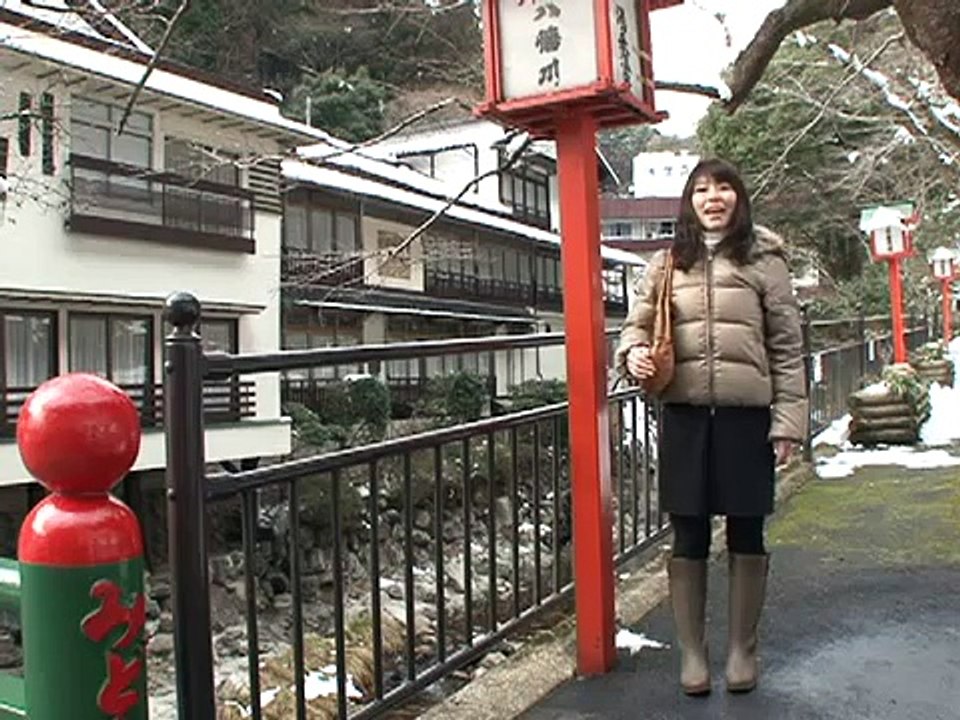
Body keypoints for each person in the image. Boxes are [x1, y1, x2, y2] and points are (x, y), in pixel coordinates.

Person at [616, 158, 807, 696]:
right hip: (684, 416)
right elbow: (635, 325)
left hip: (748, 418)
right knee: (689, 532)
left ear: (738, 198)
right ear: (688, 201)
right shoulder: (667, 262)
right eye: (701, 189)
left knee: (747, 528)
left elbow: (788, 348)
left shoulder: (766, 260)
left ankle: (743, 649)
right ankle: (693, 653)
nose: (713, 197)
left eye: (723, 187)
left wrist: (788, 420)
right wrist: (632, 355)